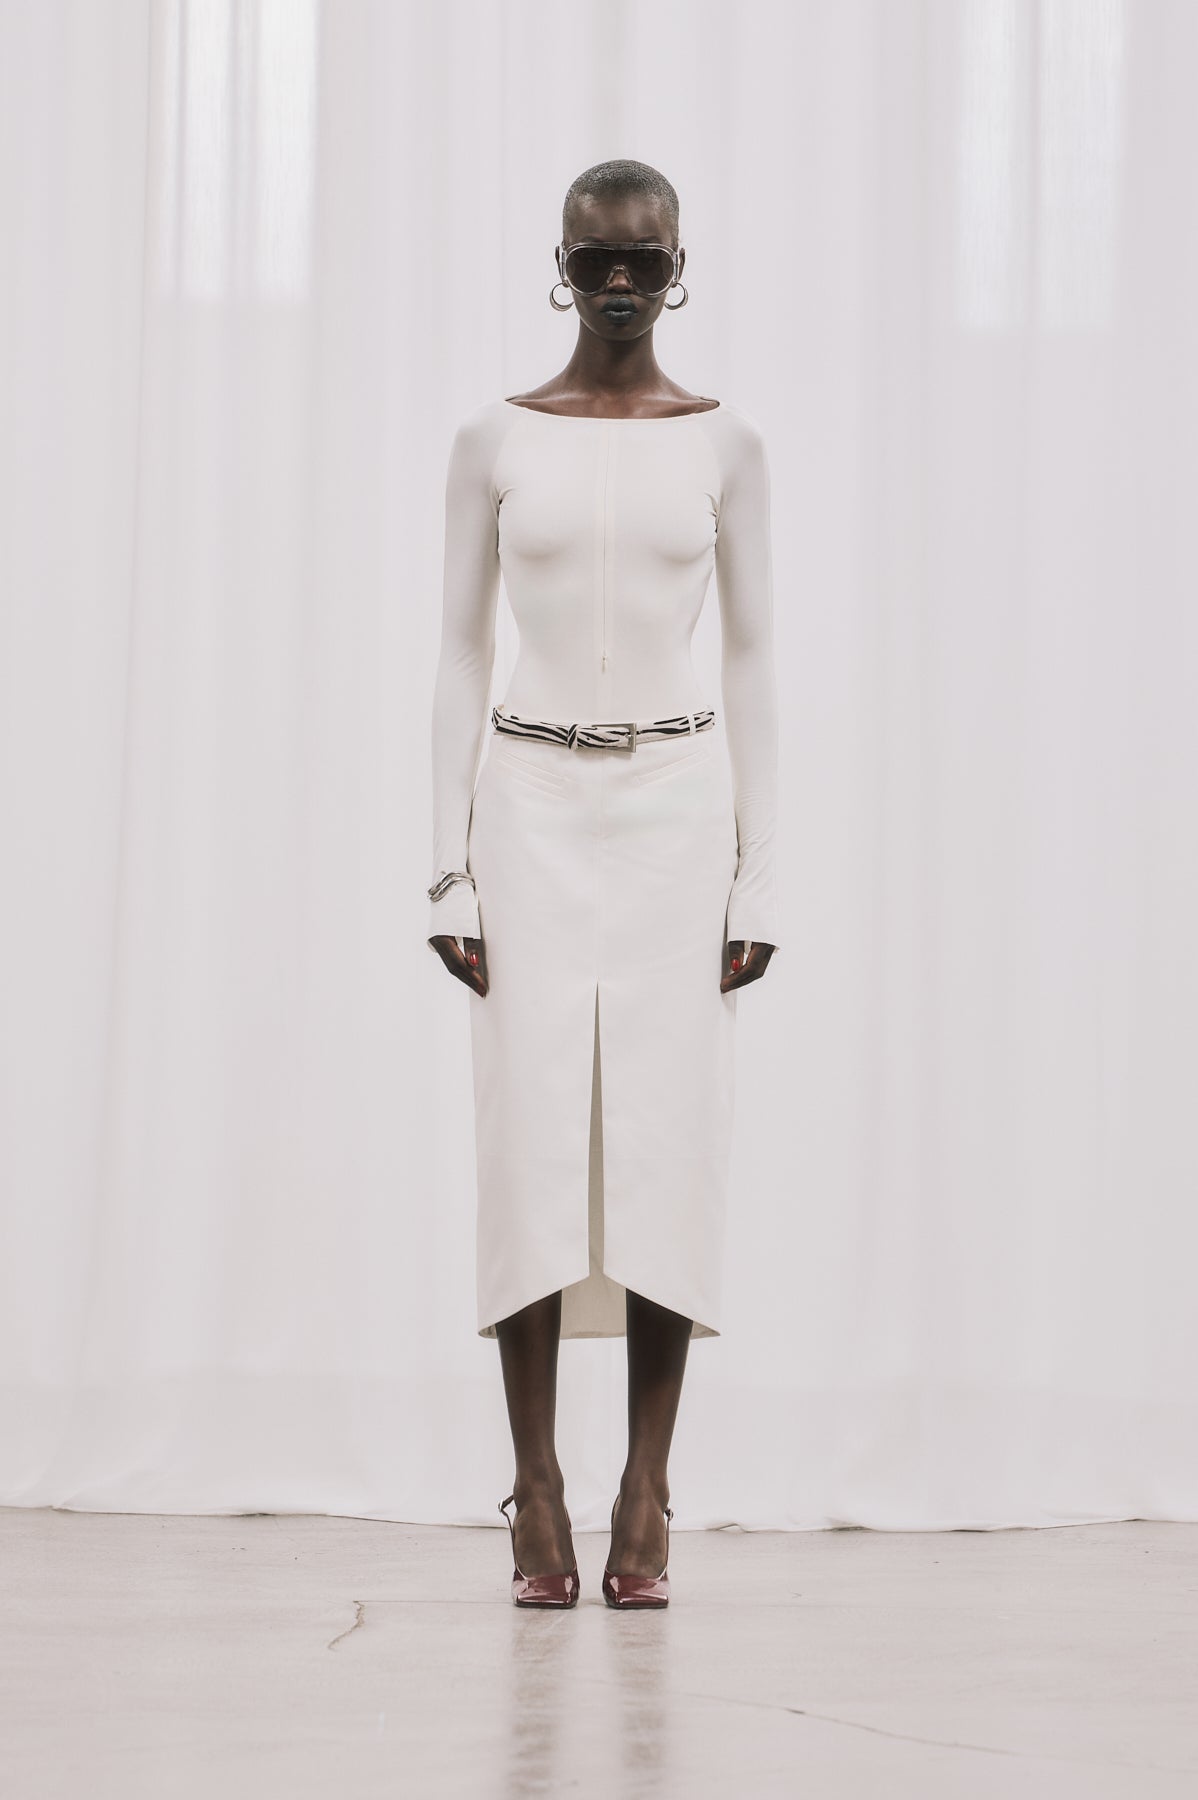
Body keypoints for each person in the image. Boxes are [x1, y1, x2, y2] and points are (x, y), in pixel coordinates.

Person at [427, 159, 780, 1609]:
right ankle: (537, 1482)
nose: (618, 282)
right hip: (528, 803)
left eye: (643, 259)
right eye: (594, 260)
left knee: (661, 1144)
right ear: (560, 264)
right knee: (527, 1144)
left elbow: (752, 653)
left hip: (675, 809)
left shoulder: (726, 443)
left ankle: (646, 1486)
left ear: (679, 264)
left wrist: (762, 873)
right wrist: (445, 869)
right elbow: (460, 647)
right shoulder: (496, 436)